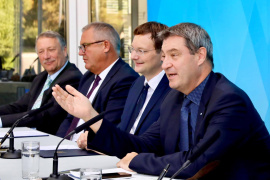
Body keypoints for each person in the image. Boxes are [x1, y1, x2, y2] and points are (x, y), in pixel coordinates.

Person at [52, 23, 270, 179]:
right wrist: (91, 117)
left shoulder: (229, 100)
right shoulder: (174, 98)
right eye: (164, 56)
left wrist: (135, 161)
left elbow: (194, 163)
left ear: (200, 56)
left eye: (174, 55)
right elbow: (144, 144)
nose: (165, 64)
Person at [56, 22, 139, 141]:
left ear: (105, 45)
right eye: (81, 47)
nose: (80, 52)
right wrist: (58, 144)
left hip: (90, 151)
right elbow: (71, 119)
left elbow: (109, 128)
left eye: (85, 46)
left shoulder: (125, 79)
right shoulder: (88, 77)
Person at [0, 31, 82, 135]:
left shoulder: (72, 78)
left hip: (51, 141)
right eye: (41, 52)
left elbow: (45, 115)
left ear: (64, 51)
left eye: (51, 50)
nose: (46, 56)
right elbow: (19, 106)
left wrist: (1, 121)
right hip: (27, 134)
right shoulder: (41, 77)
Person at [116, 21, 171, 135]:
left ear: (162, 53)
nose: (133, 56)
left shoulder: (173, 88)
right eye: (132, 49)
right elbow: (123, 130)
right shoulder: (137, 83)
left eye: (141, 51)